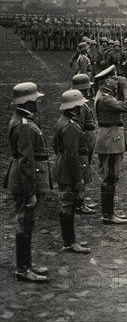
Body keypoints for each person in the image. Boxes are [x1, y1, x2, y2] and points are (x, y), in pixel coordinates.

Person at [5, 82, 50, 282]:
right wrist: (31, 191)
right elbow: (26, 160)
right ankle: (23, 269)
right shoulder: (23, 125)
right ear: (29, 102)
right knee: (25, 222)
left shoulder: (23, 120)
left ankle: (27, 265)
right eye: (36, 99)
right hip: (26, 181)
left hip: (25, 178)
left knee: (27, 222)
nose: (38, 102)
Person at [94, 65, 127, 224]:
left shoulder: (105, 95)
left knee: (111, 176)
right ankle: (107, 214)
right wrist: (125, 86)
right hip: (110, 140)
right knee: (110, 176)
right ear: (107, 81)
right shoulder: (106, 99)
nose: (117, 80)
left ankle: (109, 211)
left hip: (111, 138)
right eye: (114, 78)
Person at [53, 90, 92, 254]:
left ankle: (70, 240)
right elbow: (72, 154)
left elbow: (56, 146)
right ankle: (69, 242)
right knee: (68, 205)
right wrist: (79, 178)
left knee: (68, 204)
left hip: (63, 167)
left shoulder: (64, 120)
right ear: (75, 107)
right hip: (69, 171)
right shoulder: (70, 126)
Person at [71, 74, 97, 215]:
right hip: (84, 141)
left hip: (87, 139)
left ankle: (80, 200)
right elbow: (79, 127)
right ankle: (79, 202)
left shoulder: (80, 102)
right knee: (82, 172)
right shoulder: (79, 105)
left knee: (83, 171)